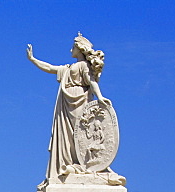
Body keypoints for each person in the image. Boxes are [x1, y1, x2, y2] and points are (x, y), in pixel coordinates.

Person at [26, 33, 111, 181]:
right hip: (66, 101)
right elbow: (50, 68)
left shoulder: (83, 66)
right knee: (66, 135)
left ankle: (82, 163)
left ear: (79, 48)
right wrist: (33, 59)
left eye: (73, 47)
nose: (71, 50)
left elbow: (91, 81)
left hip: (79, 99)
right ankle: (70, 163)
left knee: (79, 132)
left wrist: (100, 96)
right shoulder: (68, 68)